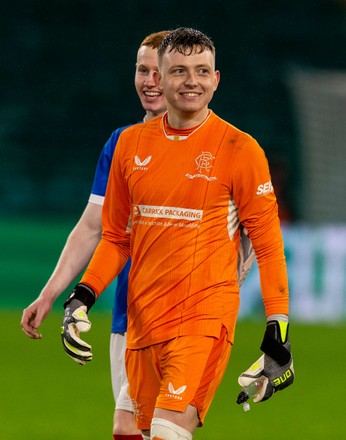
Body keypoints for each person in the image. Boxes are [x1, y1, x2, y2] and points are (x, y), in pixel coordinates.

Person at [61, 27, 294, 439]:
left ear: (216, 79)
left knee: (169, 430)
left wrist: (278, 329)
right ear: (160, 78)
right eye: (180, 71)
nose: (192, 81)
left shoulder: (240, 149)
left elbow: (269, 245)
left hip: (204, 317)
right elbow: (117, 238)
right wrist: (83, 294)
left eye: (203, 71)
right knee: (137, 432)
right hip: (142, 320)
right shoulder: (130, 146)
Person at [21, 30, 170, 440]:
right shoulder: (121, 143)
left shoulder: (214, 145)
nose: (150, 81)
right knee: (133, 430)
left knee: (155, 428)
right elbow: (94, 226)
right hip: (129, 313)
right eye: (142, 70)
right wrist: (50, 293)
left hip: (185, 314)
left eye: (159, 71)